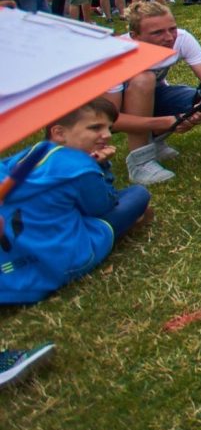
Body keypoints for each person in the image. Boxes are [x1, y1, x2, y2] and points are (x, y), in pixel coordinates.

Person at [0, 98, 152, 305]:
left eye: (109, 128)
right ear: (59, 133)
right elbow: (103, 207)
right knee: (138, 194)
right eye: (95, 128)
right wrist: (101, 167)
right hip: (58, 259)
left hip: (10, 269)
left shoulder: (30, 154)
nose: (107, 135)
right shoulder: (81, 167)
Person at [105, 1, 201, 184]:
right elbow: (109, 120)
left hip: (150, 98)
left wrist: (200, 107)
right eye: (157, 33)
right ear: (135, 36)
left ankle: (154, 140)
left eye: (172, 29)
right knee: (144, 79)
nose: (169, 37)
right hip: (101, 111)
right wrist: (168, 121)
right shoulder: (117, 54)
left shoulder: (182, 39)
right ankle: (140, 162)